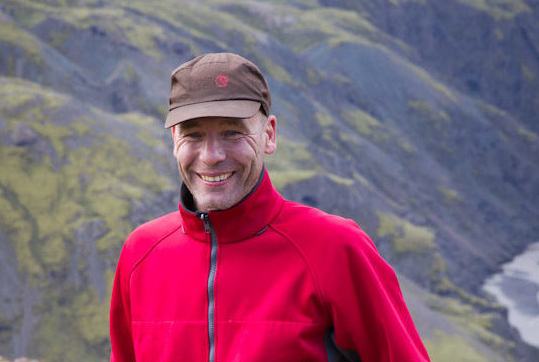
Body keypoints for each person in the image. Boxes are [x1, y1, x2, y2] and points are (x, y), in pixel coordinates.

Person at [109, 52, 430, 362]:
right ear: (175, 141)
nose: (211, 156)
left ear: (269, 135)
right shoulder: (141, 253)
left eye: (232, 133)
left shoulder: (336, 248)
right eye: (193, 136)